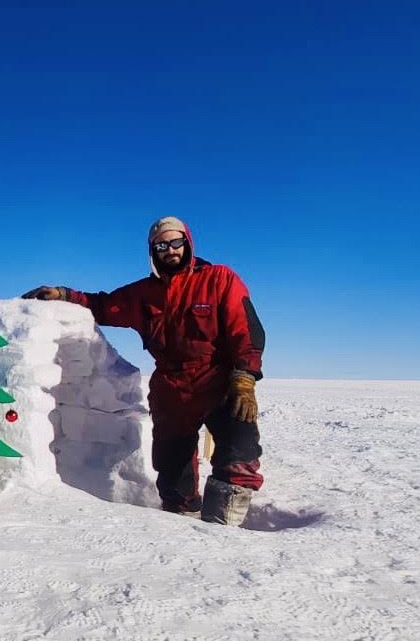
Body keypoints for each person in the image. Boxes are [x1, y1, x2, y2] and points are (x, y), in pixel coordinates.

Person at [22, 217, 265, 526]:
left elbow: (246, 330)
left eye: (176, 242)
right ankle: (182, 522)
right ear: (153, 251)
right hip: (171, 385)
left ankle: (224, 527)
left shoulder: (219, 279)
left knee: (239, 451)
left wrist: (244, 377)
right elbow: (103, 305)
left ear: (187, 243)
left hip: (218, 379)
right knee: (172, 466)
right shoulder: (143, 294)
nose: (171, 250)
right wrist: (65, 294)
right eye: (162, 245)